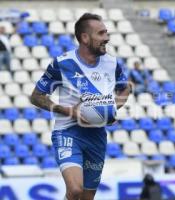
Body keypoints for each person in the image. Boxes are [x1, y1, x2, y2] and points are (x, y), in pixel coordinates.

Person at [30, 13, 130, 200]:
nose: (107, 38)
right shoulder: (62, 64)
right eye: (101, 33)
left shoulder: (112, 63)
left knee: (86, 197)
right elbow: (36, 97)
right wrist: (67, 110)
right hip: (68, 132)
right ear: (85, 38)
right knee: (75, 190)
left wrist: (112, 109)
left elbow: (125, 89)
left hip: (96, 136)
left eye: (106, 33)